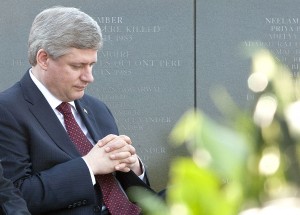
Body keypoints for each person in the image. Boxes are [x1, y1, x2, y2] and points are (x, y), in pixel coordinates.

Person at [0, 6, 156, 215]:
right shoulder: (7, 110)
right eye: (77, 66)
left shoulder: (98, 108)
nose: (89, 77)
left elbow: (138, 196)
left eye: (92, 65)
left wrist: (132, 165)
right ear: (44, 59)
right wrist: (89, 165)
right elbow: (14, 197)